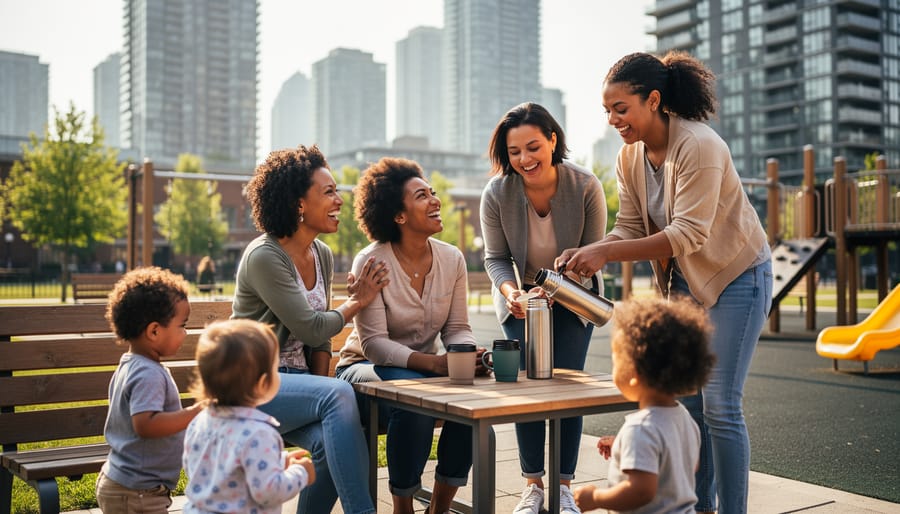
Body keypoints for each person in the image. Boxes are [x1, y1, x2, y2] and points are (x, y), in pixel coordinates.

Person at [557, 51, 773, 514]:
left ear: (653, 100)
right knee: (687, 405)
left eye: (621, 108)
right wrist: (588, 252)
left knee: (720, 405)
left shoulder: (699, 144)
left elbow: (689, 234)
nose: (614, 119)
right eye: (607, 111)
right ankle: (698, 507)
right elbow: (630, 227)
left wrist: (607, 252)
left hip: (737, 274)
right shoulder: (629, 158)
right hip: (684, 282)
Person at [232, 145, 385, 514]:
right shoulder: (265, 256)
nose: (340, 200)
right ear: (299, 203)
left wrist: (319, 389)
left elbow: (318, 345)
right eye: (328, 192)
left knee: (332, 445)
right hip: (252, 384)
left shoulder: (321, 254)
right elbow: (314, 327)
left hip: (296, 386)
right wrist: (357, 302)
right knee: (338, 395)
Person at [336, 157, 486, 514]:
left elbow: (456, 328)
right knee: (415, 402)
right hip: (363, 370)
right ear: (398, 215)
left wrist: (465, 355)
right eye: (422, 196)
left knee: (472, 405)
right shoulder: (372, 262)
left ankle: (439, 507)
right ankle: (402, 506)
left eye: (432, 192)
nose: (435, 200)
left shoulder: (452, 260)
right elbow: (373, 345)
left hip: (420, 372)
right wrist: (435, 364)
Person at [480, 102, 607, 514]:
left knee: (568, 391)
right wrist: (511, 292)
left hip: (574, 298)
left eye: (533, 147)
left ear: (553, 140)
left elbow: (593, 254)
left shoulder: (586, 186)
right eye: (515, 152)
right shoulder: (497, 193)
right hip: (523, 302)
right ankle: (533, 486)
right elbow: (496, 257)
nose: (525, 159)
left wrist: (561, 285)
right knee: (527, 392)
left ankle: (563, 487)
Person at [573, 297, 715, 513]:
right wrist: (624, 446)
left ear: (634, 374)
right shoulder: (684, 418)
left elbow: (640, 491)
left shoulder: (640, 429)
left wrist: (595, 498)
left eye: (616, 360)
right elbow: (685, 464)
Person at [96, 267, 205, 513]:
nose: (185, 333)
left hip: (129, 485)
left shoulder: (131, 363)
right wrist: (196, 411)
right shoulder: (148, 373)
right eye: (182, 325)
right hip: (137, 493)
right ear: (154, 331)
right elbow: (146, 424)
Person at [183, 319, 316, 514]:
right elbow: (269, 492)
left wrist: (279, 461)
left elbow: (215, 468)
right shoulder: (259, 434)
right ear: (263, 383)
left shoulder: (199, 422)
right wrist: (301, 473)